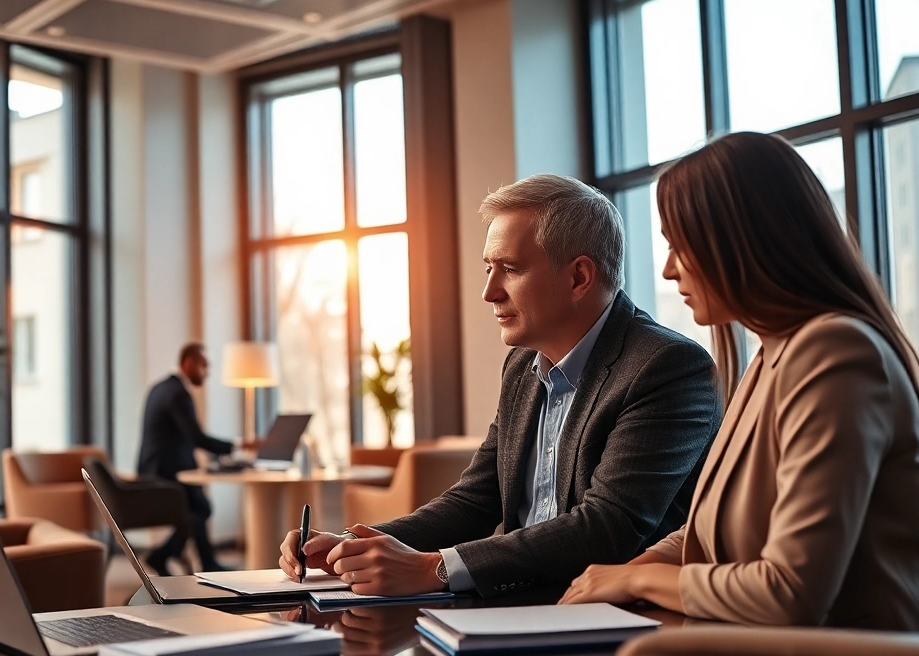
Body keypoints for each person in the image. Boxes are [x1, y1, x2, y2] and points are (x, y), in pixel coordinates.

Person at [560, 132, 919, 632]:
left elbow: (791, 594)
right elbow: (714, 529)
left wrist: (637, 581)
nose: (669, 270)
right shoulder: (770, 357)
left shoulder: (835, 353)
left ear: (741, 241)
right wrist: (631, 570)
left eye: (680, 245)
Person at [280, 174, 723, 597]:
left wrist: (434, 568)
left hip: (611, 617)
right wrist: (348, 546)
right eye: (489, 268)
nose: (490, 292)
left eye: (510, 269)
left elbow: (608, 527)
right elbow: (475, 501)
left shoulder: (666, 366)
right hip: (518, 606)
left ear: (579, 278)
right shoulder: (522, 366)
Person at [136, 343, 235, 573]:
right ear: (189, 363)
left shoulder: (161, 387)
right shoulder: (177, 394)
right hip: (163, 473)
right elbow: (197, 438)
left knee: (199, 506)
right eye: (204, 366)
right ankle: (164, 556)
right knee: (200, 508)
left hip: (156, 469)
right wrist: (237, 446)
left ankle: (201, 562)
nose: (207, 372)